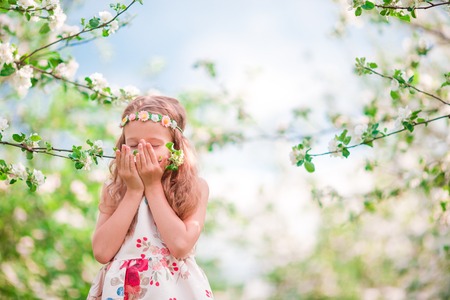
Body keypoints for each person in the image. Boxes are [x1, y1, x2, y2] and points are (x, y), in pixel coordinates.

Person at [87, 95, 214, 299]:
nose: (142, 152)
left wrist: (153, 186)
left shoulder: (194, 187)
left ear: (176, 148)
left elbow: (180, 246)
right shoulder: (114, 188)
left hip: (173, 289)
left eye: (154, 145)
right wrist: (134, 191)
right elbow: (102, 252)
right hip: (123, 289)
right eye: (134, 145)